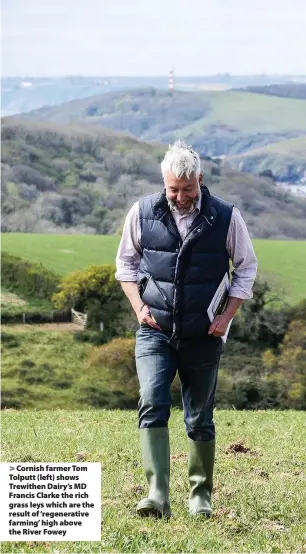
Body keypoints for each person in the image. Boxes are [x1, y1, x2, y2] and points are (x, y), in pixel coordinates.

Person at [115, 140, 258, 519]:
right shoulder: (142, 212)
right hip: (154, 331)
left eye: (187, 189)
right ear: (164, 182)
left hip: (204, 335)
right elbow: (125, 266)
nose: (179, 197)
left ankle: (200, 496)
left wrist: (226, 317)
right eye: (172, 189)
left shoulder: (227, 217)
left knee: (199, 415)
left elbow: (246, 268)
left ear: (200, 179)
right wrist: (139, 307)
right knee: (151, 399)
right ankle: (157, 493)